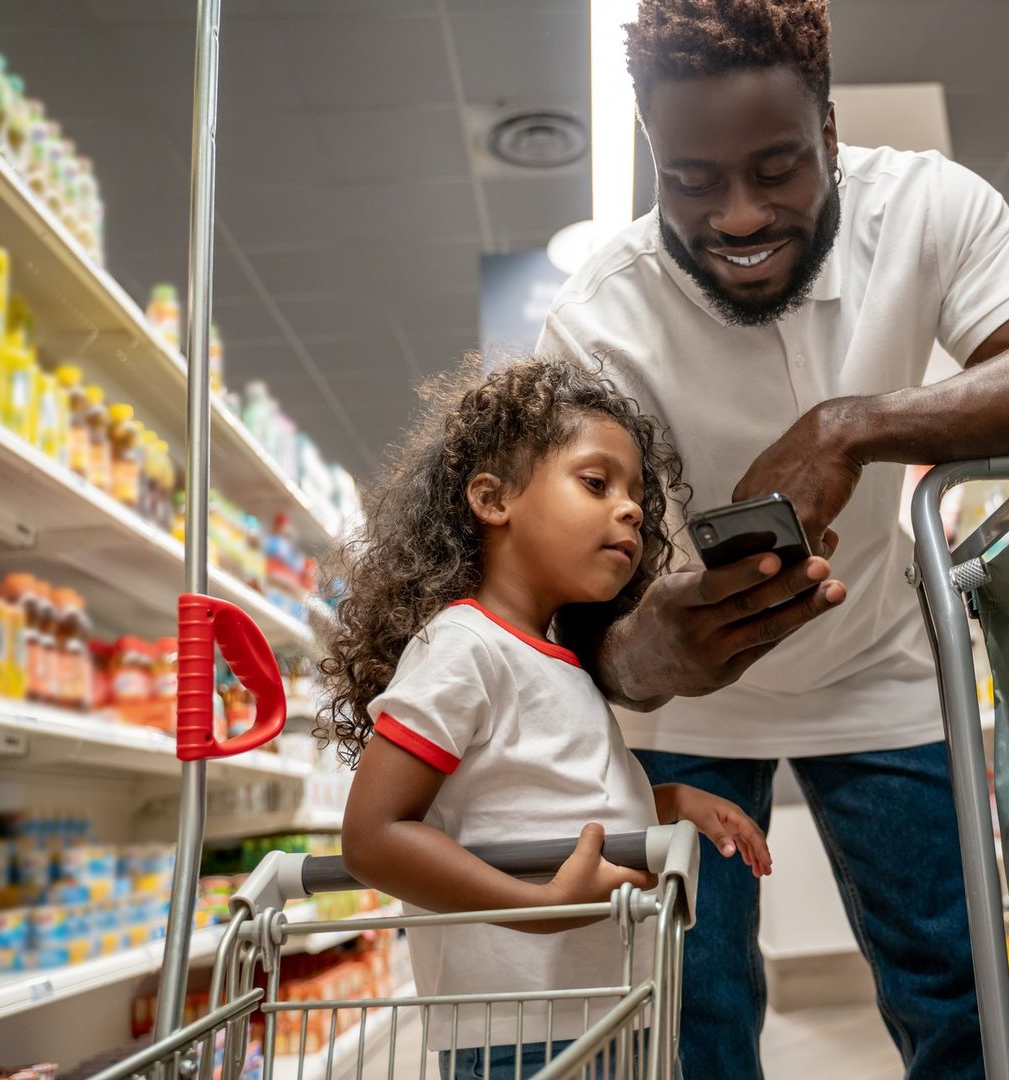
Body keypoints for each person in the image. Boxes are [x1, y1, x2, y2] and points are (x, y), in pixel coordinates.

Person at [535, 1, 1009, 1076]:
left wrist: (851, 428)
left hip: (882, 665)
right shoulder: (597, 321)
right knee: (691, 1017)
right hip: (687, 704)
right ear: (651, 157)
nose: (737, 215)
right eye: (692, 180)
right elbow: (557, 588)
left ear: (828, 127)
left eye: (776, 168)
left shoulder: (922, 206)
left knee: (956, 990)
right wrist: (637, 657)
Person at [318, 359, 773, 1078]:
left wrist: (669, 802)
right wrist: (537, 905)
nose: (628, 509)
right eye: (597, 483)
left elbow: (545, 805)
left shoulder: (558, 660)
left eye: (635, 496)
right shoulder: (464, 646)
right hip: (517, 1033)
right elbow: (372, 837)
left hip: (613, 1009)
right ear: (493, 500)